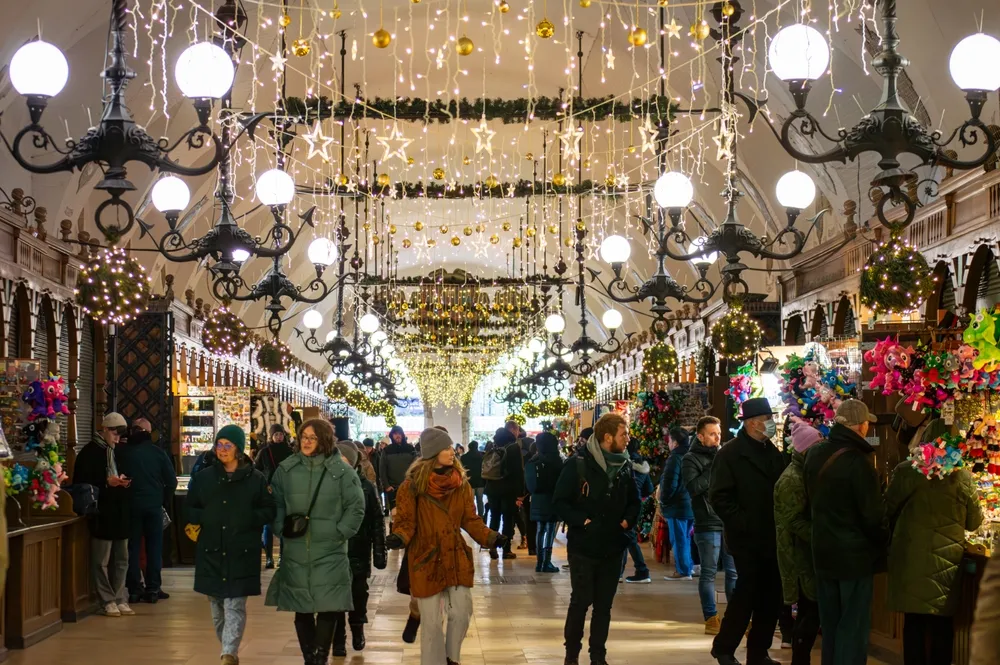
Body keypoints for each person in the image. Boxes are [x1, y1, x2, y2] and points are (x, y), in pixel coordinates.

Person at [385, 427, 504, 665]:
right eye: (447, 448)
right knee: (431, 624)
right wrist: (399, 536)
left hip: (454, 555)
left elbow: (470, 519)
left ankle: (452, 659)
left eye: (451, 447)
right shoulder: (411, 487)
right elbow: (406, 521)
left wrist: (490, 536)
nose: (452, 452)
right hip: (425, 558)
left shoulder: (460, 484)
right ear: (433, 452)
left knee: (461, 613)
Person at [266, 419, 366, 665]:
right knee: (301, 606)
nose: (307, 442)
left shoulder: (342, 471)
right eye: (303, 437)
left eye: (313, 437)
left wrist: (340, 532)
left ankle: (320, 658)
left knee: (329, 605)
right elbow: (275, 503)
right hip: (296, 547)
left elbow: (356, 506)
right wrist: (280, 528)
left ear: (324, 440)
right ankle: (309, 658)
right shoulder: (286, 470)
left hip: (330, 549)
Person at [804, 399, 887, 665]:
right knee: (852, 627)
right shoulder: (859, 463)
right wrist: (883, 545)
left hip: (822, 552)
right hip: (853, 558)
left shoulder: (815, 454)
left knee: (831, 626)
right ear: (861, 426)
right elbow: (872, 516)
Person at [886, 436, 982, 665]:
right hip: (947, 563)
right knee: (942, 626)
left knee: (914, 625)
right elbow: (973, 522)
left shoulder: (905, 471)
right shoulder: (963, 477)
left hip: (910, 559)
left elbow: (886, 509)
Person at [554, 413, 641, 665]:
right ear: (607, 438)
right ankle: (571, 656)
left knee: (604, 606)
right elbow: (559, 502)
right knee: (580, 602)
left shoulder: (625, 465)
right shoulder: (578, 464)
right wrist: (583, 522)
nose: (628, 439)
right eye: (624, 434)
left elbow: (635, 501)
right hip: (584, 546)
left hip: (613, 546)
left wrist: (626, 522)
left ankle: (598, 656)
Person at [187, 425, 276, 665]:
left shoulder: (255, 479)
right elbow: (190, 507)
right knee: (217, 608)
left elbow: (269, 510)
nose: (223, 450)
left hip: (241, 550)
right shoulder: (204, 478)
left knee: (235, 603)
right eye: (219, 444)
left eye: (228, 445)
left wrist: (249, 519)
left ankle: (228, 653)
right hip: (211, 550)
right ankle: (228, 647)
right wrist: (204, 518)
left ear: (238, 449)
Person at [708, 397, 786, 665]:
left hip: (772, 537)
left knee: (771, 596)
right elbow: (719, 497)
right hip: (747, 539)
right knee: (746, 594)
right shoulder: (729, 454)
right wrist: (744, 522)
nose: (772, 424)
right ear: (753, 423)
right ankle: (724, 648)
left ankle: (758, 652)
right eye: (768, 420)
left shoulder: (772, 451)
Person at [73, 412, 134, 618]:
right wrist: (106, 482)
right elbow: (81, 482)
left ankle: (119, 597)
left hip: (121, 509)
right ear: (105, 430)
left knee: (122, 558)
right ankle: (107, 599)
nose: (117, 439)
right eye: (115, 434)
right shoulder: (90, 452)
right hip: (102, 512)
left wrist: (124, 480)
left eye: (120, 436)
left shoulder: (119, 451)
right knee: (102, 559)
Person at [774, 421, 824, 665]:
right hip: (799, 554)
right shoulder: (793, 479)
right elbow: (793, 520)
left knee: (809, 610)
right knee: (809, 610)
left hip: (803, 552)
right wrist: (820, 534)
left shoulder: (803, 473)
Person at [682, 416, 736, 635]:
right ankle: (711, 617)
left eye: (719, 434)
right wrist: (714, 466)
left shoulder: (725, 456)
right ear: (701, 436)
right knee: (709, 573)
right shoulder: (690, 459)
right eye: (712, 434)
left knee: (733, 573)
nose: (717, 438)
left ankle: (734, 617)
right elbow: (694, 488)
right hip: (707, 523)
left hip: (728, 521)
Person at [335, 443, 387, 655]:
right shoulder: (326, 484)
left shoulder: (365, 486)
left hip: (359, 548)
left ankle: (357, 629)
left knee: (358, 593)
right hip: (334, 549)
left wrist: (379, 551)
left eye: (344, 460)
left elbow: (376, 520)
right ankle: (338, 639)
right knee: (335, 595)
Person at [120, 417, 177, 604]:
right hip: (153, 507)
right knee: (154, 548)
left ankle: (134, 589)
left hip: (131, 506)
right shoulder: (158, 453)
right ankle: (153, 588)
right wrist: (163, 499)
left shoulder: (123, 453)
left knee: (133, 548)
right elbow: (172, 481)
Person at [253, 424, 294, 569]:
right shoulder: (264, 452)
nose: (278, 437)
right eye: (276, 434)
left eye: (281, 434)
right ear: (271, 436)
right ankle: (269, 557)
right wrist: (263, 485)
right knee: (268, 526)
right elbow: (256, 471)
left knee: (283, 524)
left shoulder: (290, 452)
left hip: (285, 492)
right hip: (268, 492)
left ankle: (282, 556)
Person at [659, 427, 694, 582]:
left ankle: (684, 570)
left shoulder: (676, 458)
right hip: (689, 504)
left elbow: (670, 483)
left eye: (669, 440)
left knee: (679, 539)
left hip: (677, 505)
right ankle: (687, 567)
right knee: (685, 538)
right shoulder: (692, 455)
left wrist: (663, 500)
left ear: (674, 442)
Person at [525, 431, 564, 572]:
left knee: (540, 530)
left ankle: (539, 562)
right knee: (550, 530)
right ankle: (547, 562)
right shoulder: (556, 460)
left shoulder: (533, 460)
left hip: (536, 500)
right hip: (551, 499)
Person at [484, 426, 521, 560]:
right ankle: (506, 550)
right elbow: (518, 471)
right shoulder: (513, 448)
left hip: (493, 488)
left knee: (494, 518)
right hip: (508, 489)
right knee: (508, 519)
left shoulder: (492, 447)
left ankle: (492, 547)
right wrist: (521, 491)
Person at [379, 425, 417, 512]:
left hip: (409, 488)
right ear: (392, 436)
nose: (398, 435)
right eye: (395, 434)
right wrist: (387, 486)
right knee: (395, 515)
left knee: (410, 514)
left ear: (403, 435)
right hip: (393, 489)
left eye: (399, 433)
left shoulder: (410, 449)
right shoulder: (387, 450)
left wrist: (413, 484)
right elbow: (382, 469)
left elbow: (415, 467)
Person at [461, 440, 486, 517]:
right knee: (480, 500)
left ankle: (472, 515)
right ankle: (481, 516)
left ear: (469, 447)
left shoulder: (464, 457)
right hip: (480, 481)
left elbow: (462, 469)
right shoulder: (482, 456)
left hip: (469, 481)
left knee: (471, 501)